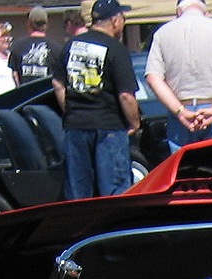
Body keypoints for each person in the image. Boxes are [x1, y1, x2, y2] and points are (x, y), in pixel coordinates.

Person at [52, 0, 140, 199]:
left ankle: (82, 229)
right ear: (115, 21)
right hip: (109, 128)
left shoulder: (71, 46)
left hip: (75, 127)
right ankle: (114, 229)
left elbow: (57, 84)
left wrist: (72, 110)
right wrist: (134, 123)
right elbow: (126, 95)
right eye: (123, 19)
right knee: (115, 193)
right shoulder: (116, 49)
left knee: (78, 194)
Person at [144, 0, 212, 152]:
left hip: (181, 111)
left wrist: (180, 112)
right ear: (206, 13)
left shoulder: (162, 33)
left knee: (184, 173)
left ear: (178, 12)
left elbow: (153, 78)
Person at [8, 7, 53, 85]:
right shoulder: (56, 48)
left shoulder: (17, 46)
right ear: (46, 24)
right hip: (48, 95)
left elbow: (15, 75)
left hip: (26, 95)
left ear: (29, 23)